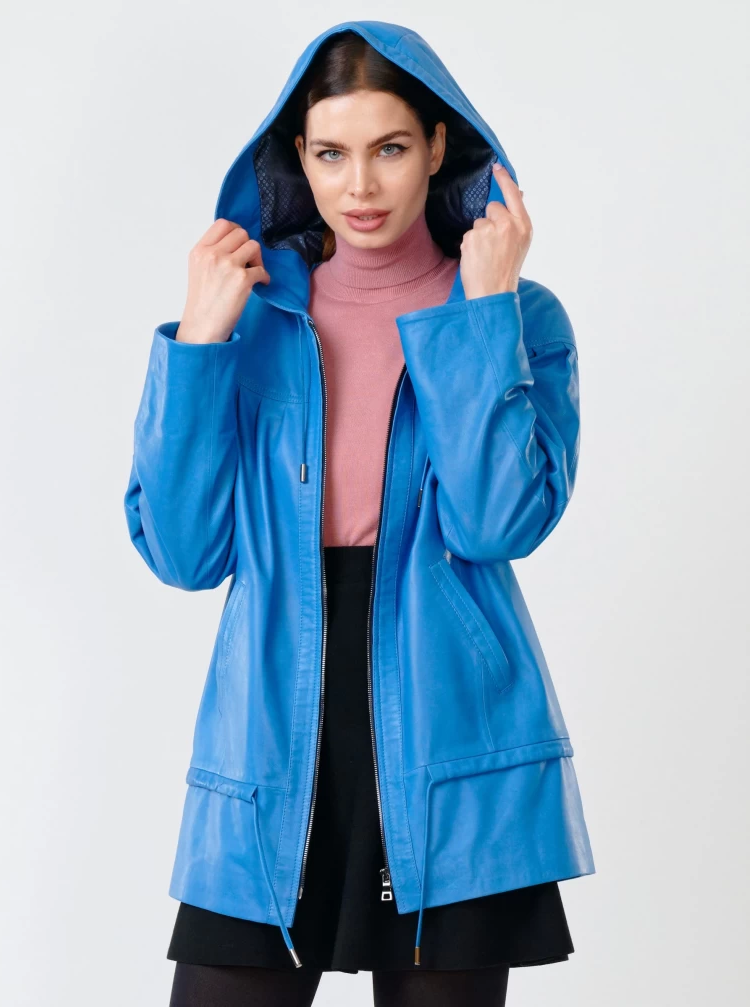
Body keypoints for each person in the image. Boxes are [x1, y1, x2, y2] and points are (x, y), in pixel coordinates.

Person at [124, 19, 596, 1007]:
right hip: (271, 735)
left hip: (451, 740)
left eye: (389, 148)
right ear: (297, 157)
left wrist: (481, 317)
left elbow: (497, 522)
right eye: (331, 154)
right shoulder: (253, 322)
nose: (361, 186)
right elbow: (183, 552)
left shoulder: (520, 316)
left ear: (437, 145)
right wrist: (199, 344)